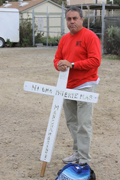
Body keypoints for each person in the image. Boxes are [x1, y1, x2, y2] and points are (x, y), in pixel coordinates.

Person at [53, 5, 101, 166]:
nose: (72, 21)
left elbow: (95, 61)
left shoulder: (90, 36)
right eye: (69, 19)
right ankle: (77, 153)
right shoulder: (64, 39)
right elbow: (57, 59)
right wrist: (58, 65)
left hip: (85, 85)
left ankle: (84, 159)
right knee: (72, 122)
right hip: (67, 86)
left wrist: (72, 64)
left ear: (82, 19)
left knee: (83, 123)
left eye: (75, 18)